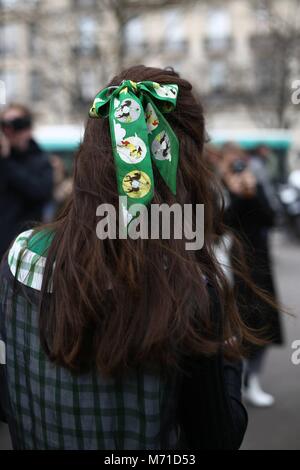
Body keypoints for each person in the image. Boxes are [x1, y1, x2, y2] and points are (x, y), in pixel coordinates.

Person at [0, 66, 251, 450]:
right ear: (185, 161)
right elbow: (218, 437)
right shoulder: (188, 289)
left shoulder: (20, 256)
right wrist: (228, 356)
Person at [220, 143, 283, 408]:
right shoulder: (219, 189)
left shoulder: (255, 185)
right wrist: (234, 195)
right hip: (234, 266)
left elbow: (271, 218)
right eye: (231, 161)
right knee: (239, 325)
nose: (237, 166)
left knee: (264, 323)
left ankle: (253, 379)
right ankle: (238, 379)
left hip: (261, 264)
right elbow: (220, 224)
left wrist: (252, 192)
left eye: (240, 161)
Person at [0, 104, 53, 259]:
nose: (10, 132)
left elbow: (40, 192)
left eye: (16, 125)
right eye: (5, 126)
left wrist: (6, 162)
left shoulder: (40, 160)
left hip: (25, 249)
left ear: (28, 129)